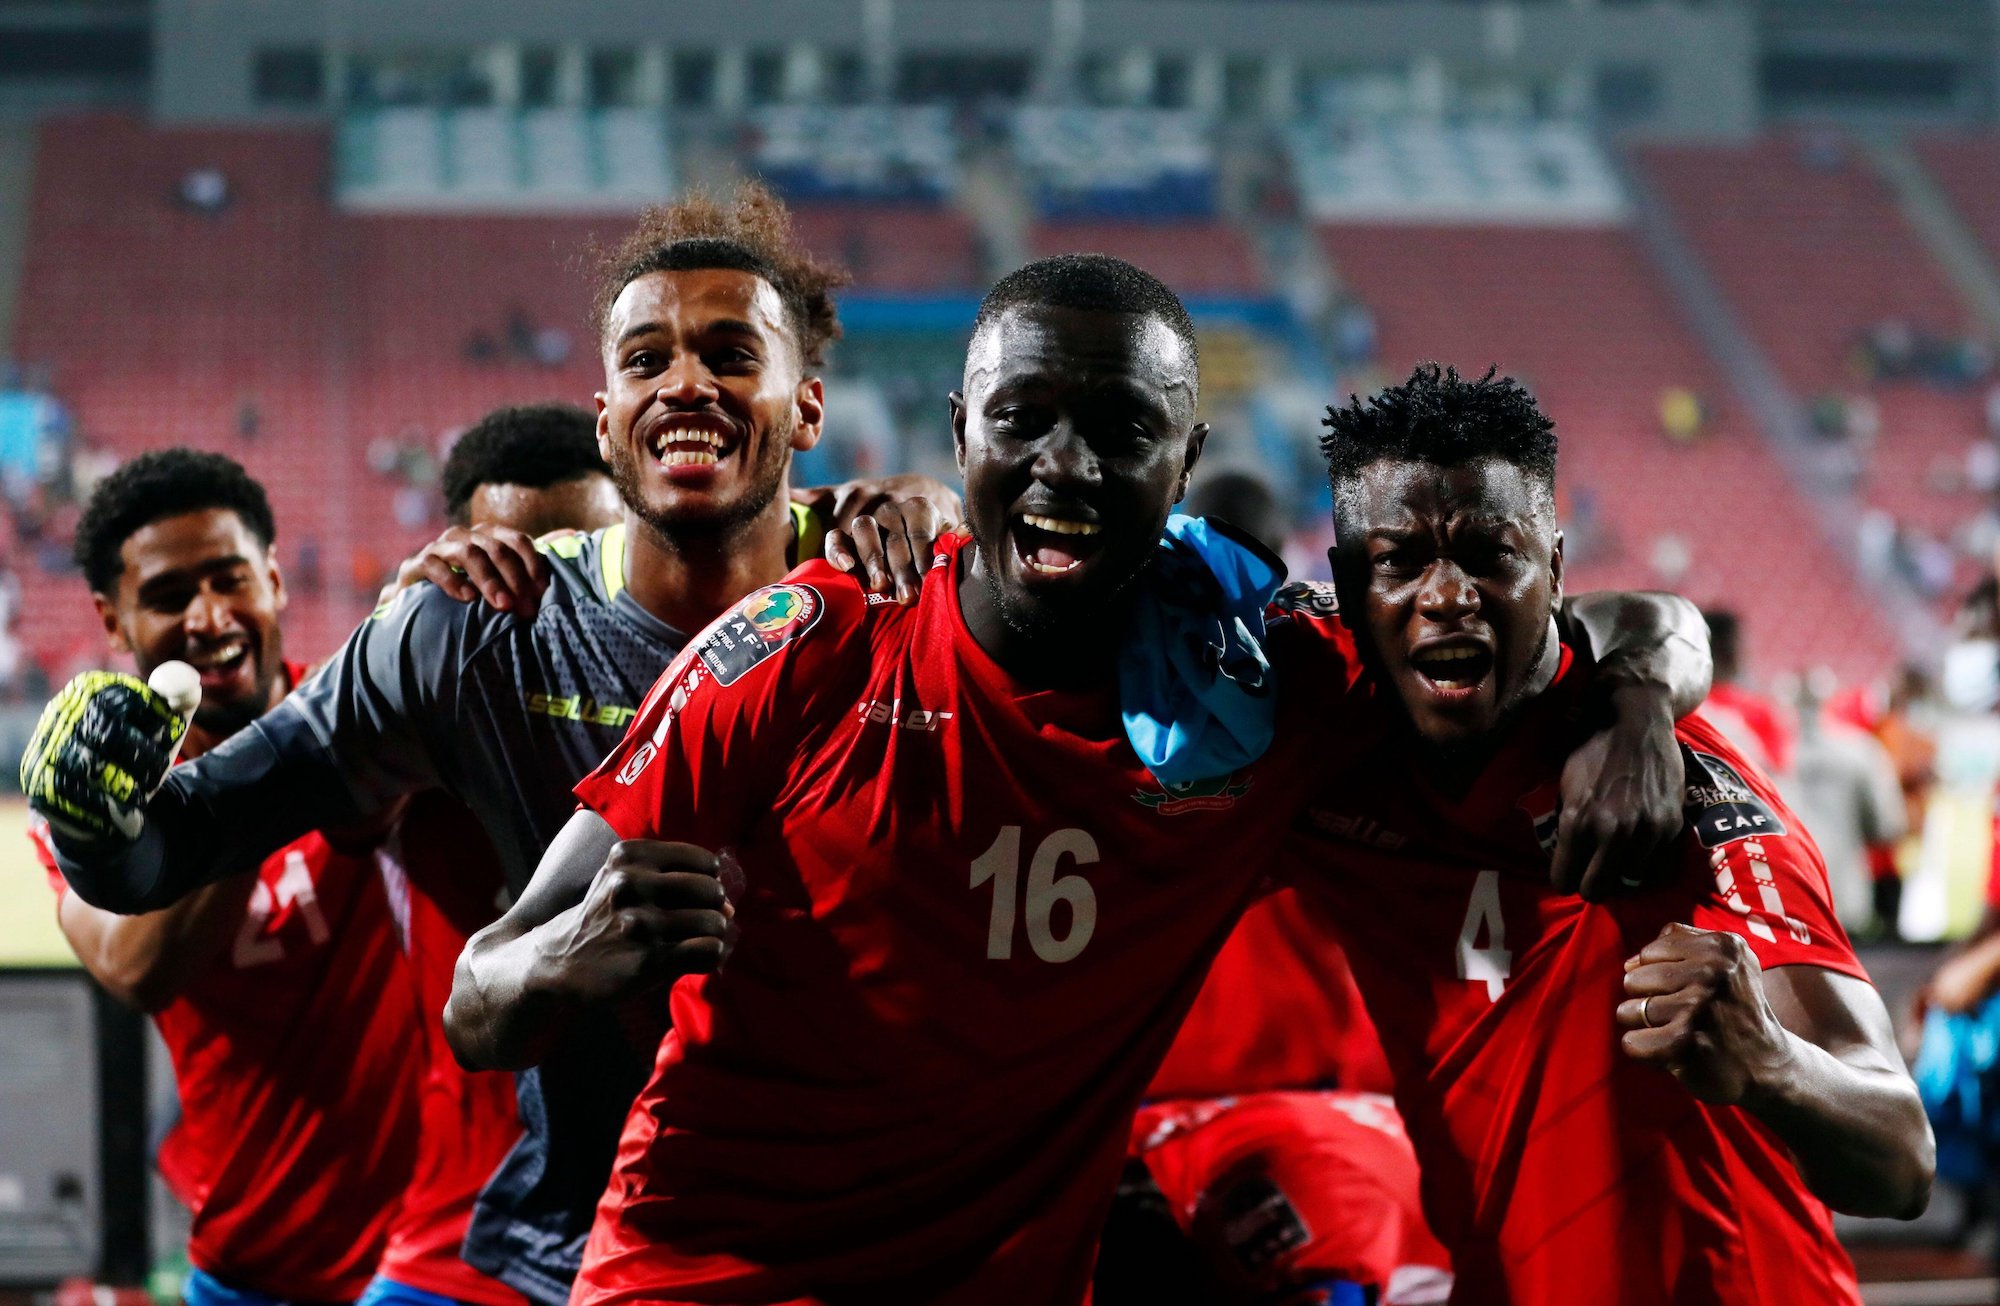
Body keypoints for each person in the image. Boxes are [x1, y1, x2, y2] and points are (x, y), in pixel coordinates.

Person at [446, 259, 1708, 1304]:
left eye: (1120, 430)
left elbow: (1627, 621)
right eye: (1022, 420)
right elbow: (478, 1001)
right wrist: (564, 958)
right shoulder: (802, 648)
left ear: (1183, 457)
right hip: (712, 1274)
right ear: (959, 432)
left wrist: (1635, 702)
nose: (1066, 464)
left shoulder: (1268, 681)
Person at [22, 183, 958, 1306]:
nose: (685, 384)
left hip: (883, 1242)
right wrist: (94, 822)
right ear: (606, 418)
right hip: (584, 1255)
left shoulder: (915, 604)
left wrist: (945, 510)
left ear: (807, 408)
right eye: (647, 359)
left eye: (729, 354)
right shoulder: (469, 632)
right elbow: (169, 849)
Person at [1293, 364, 1933, 1303]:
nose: (1448, 595)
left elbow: (1902, 1158)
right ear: (1348, 584)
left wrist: (1771, 1061)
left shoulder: (1682, 795)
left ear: (1554, 568)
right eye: (1400, 561)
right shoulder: (1322, 740)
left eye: (1490, 555)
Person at [28, 449, 417, 1305]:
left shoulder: (368, 725)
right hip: (248, 1266)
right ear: (114, 621)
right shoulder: (93, 812)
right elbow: (134, 966)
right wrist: (259, 780)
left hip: (433, 1257)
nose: (209, 619)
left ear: (275, 580)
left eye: (230, 580)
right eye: (170, 597)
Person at [363, 404, 622, 1306]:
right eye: (509, 567)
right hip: (457, 1256)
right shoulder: (431, 697)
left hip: (674, 1240)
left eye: (584, 561)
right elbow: (349, 791)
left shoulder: (712, 712)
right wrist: (396, 629)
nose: (551, 607)